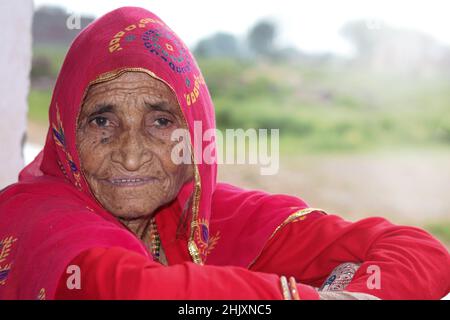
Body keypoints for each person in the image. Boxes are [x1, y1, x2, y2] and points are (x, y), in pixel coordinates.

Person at [0, 6, 448, 300]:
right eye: (102, 121)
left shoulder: (206, 213)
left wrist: (357, 293)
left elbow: (419, 251)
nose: (132, 156)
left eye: (160, 122)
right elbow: (133, 292)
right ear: (64, 133)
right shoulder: (36, 220)